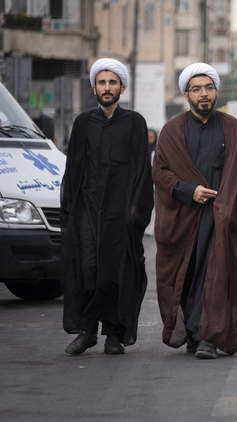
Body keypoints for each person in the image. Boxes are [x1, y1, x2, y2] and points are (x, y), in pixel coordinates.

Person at [152, 63, 237, 359]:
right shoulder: (171, 131)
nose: (204, 94)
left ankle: (209, 337)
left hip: (220, 218)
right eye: (197, 89)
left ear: (216, 91)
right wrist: (187, 189)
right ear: (186, 94)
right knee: (188, 275)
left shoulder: (232, 128)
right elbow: (160, 172)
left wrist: (228, 209)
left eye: (209, 88)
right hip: (184, 217)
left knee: (215, 275)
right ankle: (195, 333)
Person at [60, 58, 154, 355]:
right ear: (94, 88)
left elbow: (142, 170)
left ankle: (114, 333)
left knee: (117, 271)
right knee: (87, 266)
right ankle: (87, 330)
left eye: (113, 82)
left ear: (122, 87)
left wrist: (135, 211)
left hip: (120, 212)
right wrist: (71, 212)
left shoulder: (135, 123)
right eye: (102, 82)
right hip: (87, 208)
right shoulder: (83, 123)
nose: (107, 87)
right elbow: (73, 170)